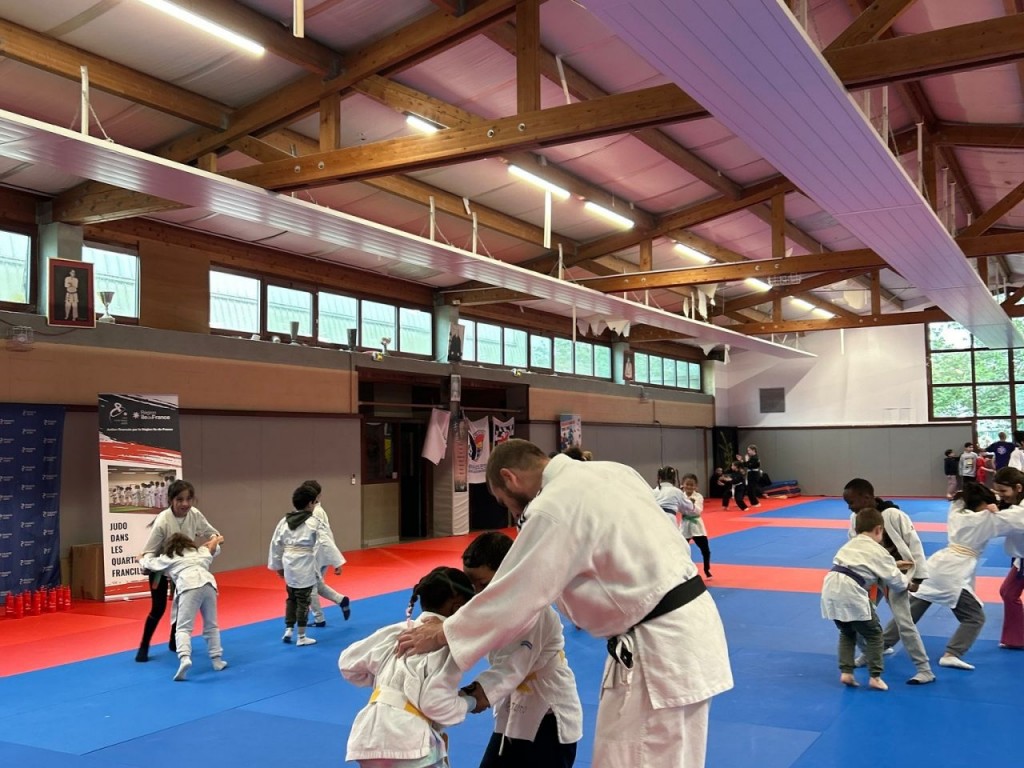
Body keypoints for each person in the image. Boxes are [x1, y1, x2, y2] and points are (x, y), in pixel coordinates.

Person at [396, 439, 733, 768]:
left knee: (636, 758)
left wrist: (444, 632)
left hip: (659, 646)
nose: (513, 512)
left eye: (505, 502)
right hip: (688, 629)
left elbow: (517, 591)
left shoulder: (554, 505)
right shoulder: (615, 472)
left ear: (509, 478)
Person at [461, 531, 582, 768]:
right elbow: (461, 641)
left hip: (548, 715)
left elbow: (510, 669)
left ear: (510, 572)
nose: (476, 593)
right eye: (471, 584)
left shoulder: (533, 610)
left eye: (483, 584)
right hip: (514, 708)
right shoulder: (488, 605)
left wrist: (463, 700)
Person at [339, 566, 477, 768]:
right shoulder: (447, 645)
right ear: (457, 608)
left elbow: (347, 662)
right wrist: (470, 702)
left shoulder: (400, 630)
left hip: (369, 735)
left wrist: (383, 682)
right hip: (408, 740)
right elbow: (435, 704)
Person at [884, 479, 1024, 670]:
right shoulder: (987, 519)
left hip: (935, 565)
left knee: (911, 612)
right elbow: (1017, 517)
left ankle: (882, 644)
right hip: (954, 573)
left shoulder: (957, 512)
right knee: (975, 618)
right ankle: (952, 653)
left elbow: (961, 498)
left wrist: (989, 498)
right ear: (982, 504)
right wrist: (997, 505)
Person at [843, 478, 934, 685]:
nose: (850, 507)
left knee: (905, 623)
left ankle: (924, 669)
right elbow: (854, 547)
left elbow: (914, 544)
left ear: (867, 498)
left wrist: (918, 577)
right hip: (871, 577)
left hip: (897, 577)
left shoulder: (893, 515)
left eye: (852, 502)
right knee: (852, 616)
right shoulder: (854, 519)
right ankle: (870, 653)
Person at [821, 506, 912, 691]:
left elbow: (862, 563)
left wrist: (893, 564)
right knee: (874, 634)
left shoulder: (851, 544)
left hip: (830, 586)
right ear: (879, 529)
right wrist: (909, 583)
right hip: (851, 591)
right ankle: (875, 677)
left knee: (847, 632)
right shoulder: (878, 550)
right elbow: (895, 581)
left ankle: (846, 672)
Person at [136, 479, 219, 663]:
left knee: (182, 604)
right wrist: (146, 563)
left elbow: (214, 534)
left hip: (182, 568)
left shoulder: (195, 514)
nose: (185, 504)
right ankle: (144, 645)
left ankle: (174, 640)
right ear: (171, 500)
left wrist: (213, 541)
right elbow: (149, 550)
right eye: (180, 500)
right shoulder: (163, 521)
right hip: (161, 566)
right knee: (158, 608)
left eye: (189, 499)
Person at [139, 532, 228, 681]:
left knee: (183, 628)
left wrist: (141, 558)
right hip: (209, 584)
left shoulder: (169, 557)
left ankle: (184, 658)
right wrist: (215, 539)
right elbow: (215, 548)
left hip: (189, 585)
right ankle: (217, 660)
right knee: (211, 625)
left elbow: (149, 564)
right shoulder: (200, 552)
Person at [268, 483, 345, 647]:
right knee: (304, 599)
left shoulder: (284, 521)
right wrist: (337, 562)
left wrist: (278, 566)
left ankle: (289, 629)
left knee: (291, 597)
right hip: (305, 563)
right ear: (311, 503)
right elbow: (326, 542)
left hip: (288, 562)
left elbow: (275, 544)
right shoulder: (313, 522)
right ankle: (302, 637)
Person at [301, 480, 351, 627]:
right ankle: (341, 600)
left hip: (317, 553)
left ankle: (319, 618)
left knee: (310, 587)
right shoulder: (316, 511)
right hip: (321, 553)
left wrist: (336, 561)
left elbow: (324, 536)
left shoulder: (315, 513)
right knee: (317, 585)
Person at [993, 468, 1024, 649]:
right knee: (1008, 592)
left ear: (1018, 487)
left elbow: (1002, 522)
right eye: (998, 491)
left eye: (1003, 491)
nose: (1001, 495)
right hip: (1021, 558)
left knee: (1009, 593)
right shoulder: (1015, 506)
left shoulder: (1019, 511)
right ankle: (1016, 639)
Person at [680, 473, 712, 579]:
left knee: (705, 549)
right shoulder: (680, 496)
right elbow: (679, 509)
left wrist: (690, 504)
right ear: (682, 485)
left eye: (691, 485)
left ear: (696, 486)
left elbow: (698, 510)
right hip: (684, 525)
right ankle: (684, 570)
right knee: (682, 549)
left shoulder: (698, 497)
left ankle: (707, 569)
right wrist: (687, 505)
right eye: (687, 484)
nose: (689, 487)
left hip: (696, 525)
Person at [652, 465, 688, 529]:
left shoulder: (653, 492)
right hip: (670, 519)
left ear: (660, 477)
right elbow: (688, 507)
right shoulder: (677, 491)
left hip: (655, 519)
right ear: (673, 478)